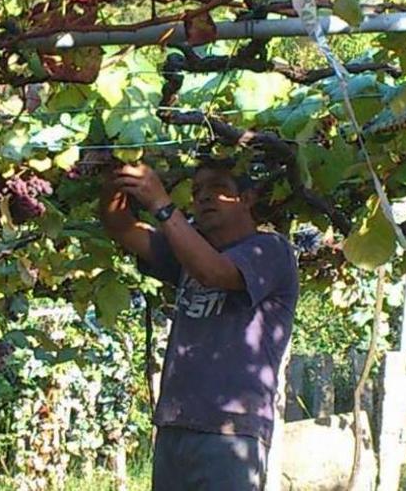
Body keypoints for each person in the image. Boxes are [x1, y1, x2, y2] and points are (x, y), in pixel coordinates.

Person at [99, 156, 298, 490]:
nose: (203, 197)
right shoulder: (188, 252)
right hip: (175, 426)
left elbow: (213, 273)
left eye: (218, 188)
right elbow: (120, 225)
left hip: (232, 430)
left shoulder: (270, 250)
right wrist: (117, 176)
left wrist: (161, 204)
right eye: (197, 191)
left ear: (247, 199)